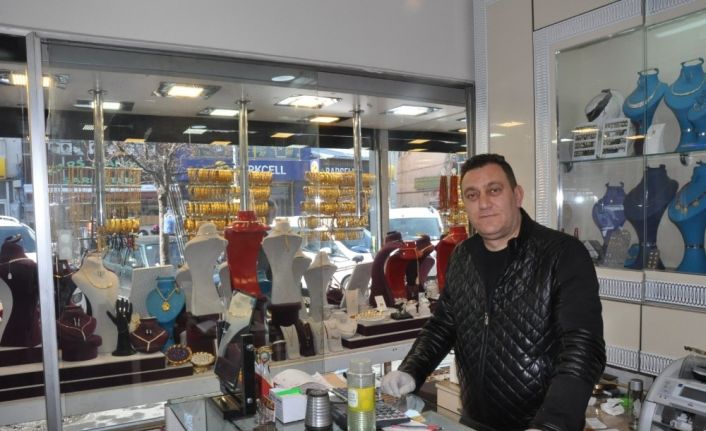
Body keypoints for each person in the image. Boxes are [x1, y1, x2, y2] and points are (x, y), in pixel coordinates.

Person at [381, 153, 605, 431]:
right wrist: (411, 370)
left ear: (517, 195)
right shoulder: (463, 256)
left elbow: (583, 348)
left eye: (494, 190)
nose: (484, 203)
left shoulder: (562, 254)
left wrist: (553, 423)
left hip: (538, 423)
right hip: (473, 421)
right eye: (472, 195)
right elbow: (443, 325)